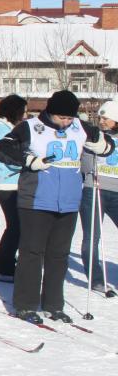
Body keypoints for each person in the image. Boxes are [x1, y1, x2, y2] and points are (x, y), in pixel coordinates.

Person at [0, 90, 112, 323]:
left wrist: (102, 144)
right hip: (36, 199)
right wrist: (29, 161)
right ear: (50, 112)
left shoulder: (80, 127)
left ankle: (53, 304)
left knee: (59, 255)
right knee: (31, 253)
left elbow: (105, 145)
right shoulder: (31, 126)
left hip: (68, 201)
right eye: (61, 118)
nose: (65, 122)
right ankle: (26, 304)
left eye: (69, 118)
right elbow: (3, 148)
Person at [79, 100, 118, 294]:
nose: (101, 121)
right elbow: (85, 165)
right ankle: (95, 278)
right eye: (100, 117)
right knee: (92, 236)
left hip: (116, 191)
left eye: (106, 118)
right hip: (94, 189)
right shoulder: (95, 136)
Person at [0, 94, 27, 284]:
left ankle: (0, 264)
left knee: (14, 227)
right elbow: (8, 157)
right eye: (22, 112)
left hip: (9, 182)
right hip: (7, 183)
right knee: (17, 227)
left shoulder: (3, 127)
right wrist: (28, 164)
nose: (24, 115)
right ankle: (5, 268)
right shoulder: (1, 130)